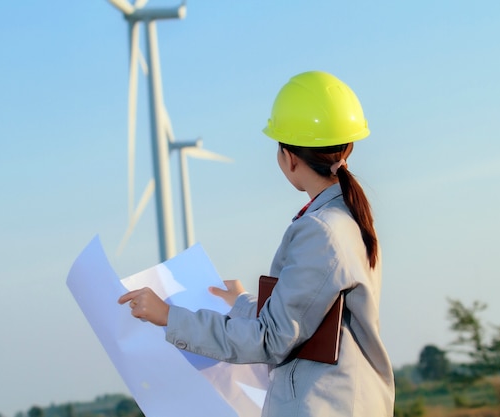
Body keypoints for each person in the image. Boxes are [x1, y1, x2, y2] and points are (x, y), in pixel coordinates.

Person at [118, 71, 395, 416]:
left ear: (289, 156)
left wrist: (170, 317)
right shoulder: (349, 219)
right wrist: (244, 303)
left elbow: (271, 338)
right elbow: (308, 315)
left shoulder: (321, 231)